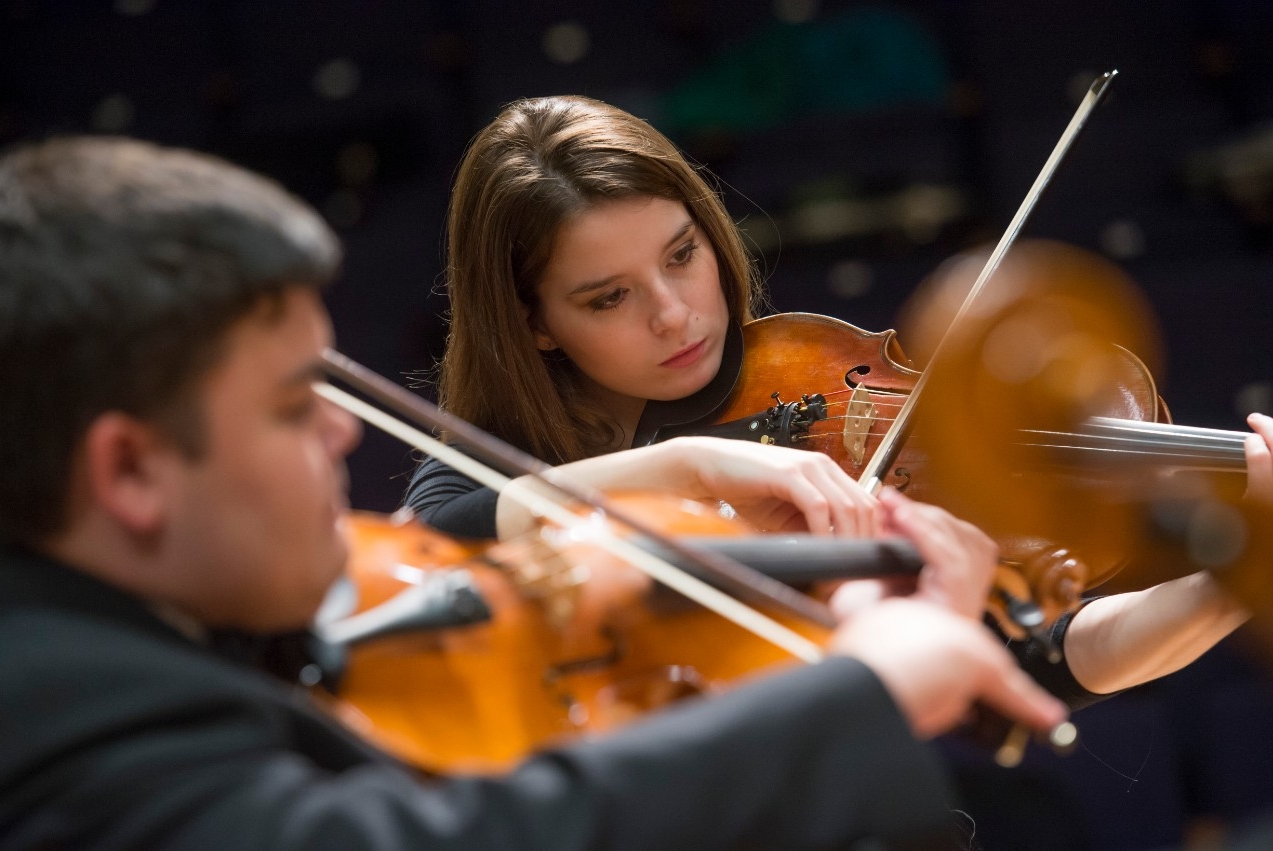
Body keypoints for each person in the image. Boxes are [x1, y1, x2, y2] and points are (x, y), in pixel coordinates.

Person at [0, 135, 1070, 850]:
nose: (337, 429)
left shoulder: (149, 635)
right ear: (128, 470)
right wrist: (856, 690)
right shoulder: (47, 707)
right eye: (290, 405)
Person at [406, 94, 1259, 704]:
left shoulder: (805, 378)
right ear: (535, 322)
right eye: (608, 297)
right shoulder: (484, 467)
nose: (674, 314)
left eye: (681, 254)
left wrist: (1237, 576)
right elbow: (440, 539)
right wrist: (690, 463)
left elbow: (1051, 657)